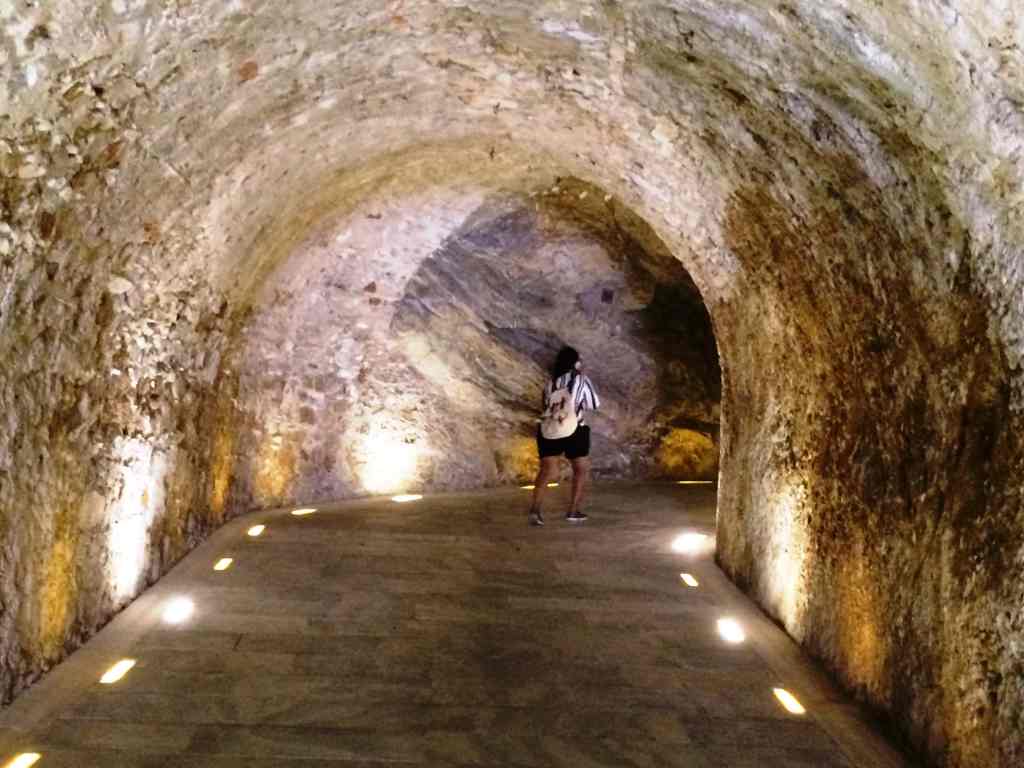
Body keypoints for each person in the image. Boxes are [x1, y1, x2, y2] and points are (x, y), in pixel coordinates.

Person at [528, 346, 600, 526]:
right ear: (576, 363)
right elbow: (593, 403)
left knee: (547, 471)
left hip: (549, 429)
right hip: (574, 429)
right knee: (580, 469)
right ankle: (573, 511)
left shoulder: (549, 384)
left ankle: (535, 511)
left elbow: (545, 407)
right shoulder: (581, 380)